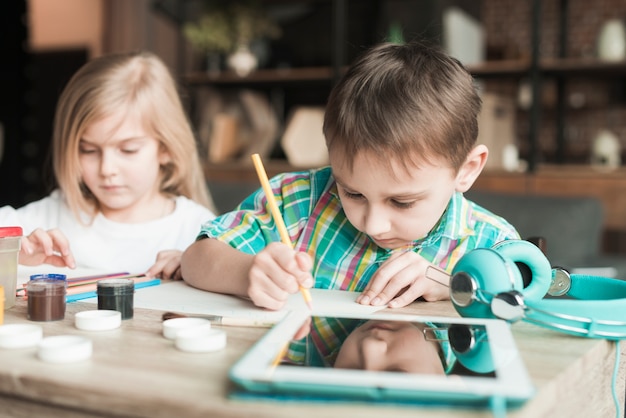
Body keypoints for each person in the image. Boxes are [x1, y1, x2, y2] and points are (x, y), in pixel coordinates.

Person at [181, 40, 519, 365]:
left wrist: (455, 285)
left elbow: (525, 301)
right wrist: (247, 273)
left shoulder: (488, 242)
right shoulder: (299, 201)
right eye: (353, 193)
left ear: (467, 170)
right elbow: (196, 259)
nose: (373, 224)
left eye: (402, 202)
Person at [0, 51, 216, 280]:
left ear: (166, 148)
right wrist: (10, 254)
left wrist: (196, 265)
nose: (107, 169)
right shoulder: (49, 216)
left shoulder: (197, 228)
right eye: (89, 150)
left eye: (128, 150)